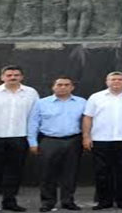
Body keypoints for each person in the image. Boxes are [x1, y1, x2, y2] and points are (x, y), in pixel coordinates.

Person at [0, 66, 39, 213]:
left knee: (14, 171)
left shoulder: (31, 93)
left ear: (22, 77)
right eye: (9, 75)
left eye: (16, 75)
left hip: (19, 137)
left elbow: (34, 117)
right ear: (2, 77)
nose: (13, 77)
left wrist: (32, 139)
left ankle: (9, 202)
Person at [83, 71, 122, 211]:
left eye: (120, 79)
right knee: (102, 173)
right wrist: (86, 136)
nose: (116, 82)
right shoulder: (96, 97)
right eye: (113, 79)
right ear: (107, 81)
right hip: (101, 139)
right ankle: (104, 201)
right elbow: (88, 117)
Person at [27, 76, 86, 212]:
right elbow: (33, 123)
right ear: (53, 87)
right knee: (47, 173)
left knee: (70, 173)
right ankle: (48, 202)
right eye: (59, 85)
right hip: (49, 141)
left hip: (73, 141)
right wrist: (32, 142)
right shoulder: (41, 103)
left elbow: (87, 121)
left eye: (66, 85)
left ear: (72, 87)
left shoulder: (82, 102)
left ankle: (68, 201)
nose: (63, 87)